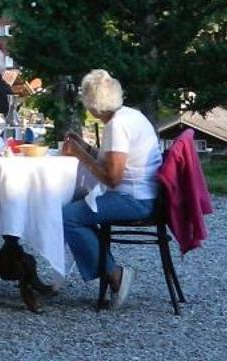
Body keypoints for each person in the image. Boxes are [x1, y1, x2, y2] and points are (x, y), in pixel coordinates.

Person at [58, 68, 162, 309]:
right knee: (78, 208)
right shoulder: (130, 115)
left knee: (67, 217)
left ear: (93, 105)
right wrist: (85, 146)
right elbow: (113, 161)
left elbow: (112, 178)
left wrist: (80, 154)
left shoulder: (117, 126)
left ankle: (115, 275)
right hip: (146, 194)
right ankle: (107, 270)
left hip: (135, 200)